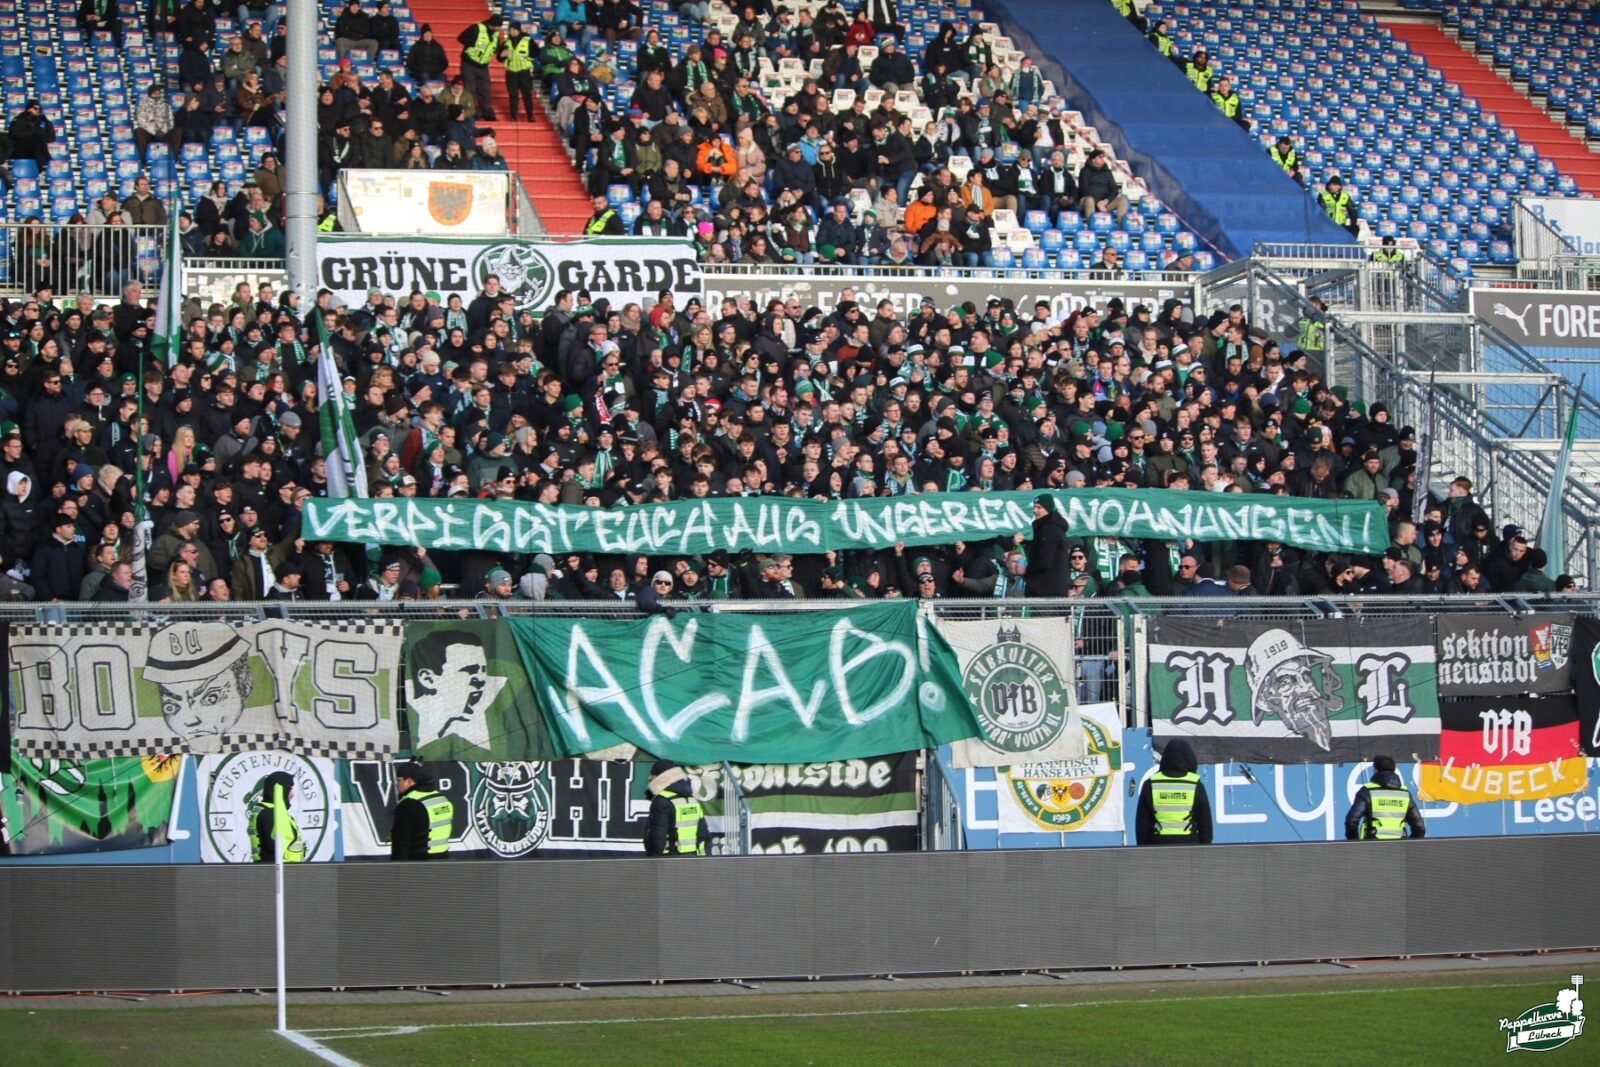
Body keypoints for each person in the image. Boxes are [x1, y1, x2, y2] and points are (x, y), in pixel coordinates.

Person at [1135, 738, 1212, 845]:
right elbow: (1205, 824)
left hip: (1157, 846)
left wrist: (1142, 849)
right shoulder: (1195, 785)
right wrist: (1206, 848)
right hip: (1189, 846)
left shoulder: (1151, 784)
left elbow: (1142, 824)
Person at [1344, 755, 1426, 841]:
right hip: (1399, 849)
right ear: (1394, 770)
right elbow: (1419, 827)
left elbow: (1351, 820)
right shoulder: (1405, 794)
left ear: (1376, 770)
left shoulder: (1367, 791)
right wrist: (1409, 846)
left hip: (1372, 847)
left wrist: (1355, 844)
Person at [643, 760, 710, 856]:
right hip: (693, 859)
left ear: (661, 777)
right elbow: (704, 835)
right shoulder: (692, 800)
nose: (649, 777)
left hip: (669, 861)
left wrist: (651, 862)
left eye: (653, 774)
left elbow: (657, 839)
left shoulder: (661, 801)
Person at [390, 762, 454, 860]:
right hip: (443, 860)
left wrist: (397, 869)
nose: (397, 785)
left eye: (399, 781)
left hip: (419, 863)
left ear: (409, 781)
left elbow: (401, 843)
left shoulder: (409, 804)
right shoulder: (443, 799)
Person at [252, 770, 307, 863]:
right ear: (279, 790)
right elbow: (275, 848)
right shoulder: (269, 813)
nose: (292, 794)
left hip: (283, 871)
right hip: (278, 873)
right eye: (289, 788)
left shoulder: (271, 811)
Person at [458, 14, 504, 122]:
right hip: (469, 63)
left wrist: (502, 54)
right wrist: (474, 44)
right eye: (498, 26)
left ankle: (487, 113)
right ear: (493, 24)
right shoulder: (476, 28)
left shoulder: (496, 35)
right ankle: (473, 114)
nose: (499, 29)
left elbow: (496, 51)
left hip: (483, 66)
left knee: (485, 90)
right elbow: (461, 38)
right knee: (470, 90)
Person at [499, 21, 537, 124]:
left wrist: (529, 57)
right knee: (513, 95)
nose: (511, 32)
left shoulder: (528, 40)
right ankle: (513, 116)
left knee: (527, 94)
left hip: (524, 72)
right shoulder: (506, 42)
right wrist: (502, 55)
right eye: (510, 30)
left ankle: (530, 115)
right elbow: (499, 57)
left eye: (513, 29)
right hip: (511, 72)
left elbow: (537, 52)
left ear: (518, 30)